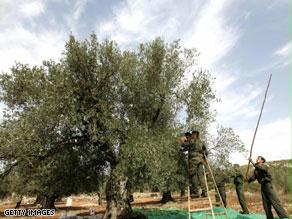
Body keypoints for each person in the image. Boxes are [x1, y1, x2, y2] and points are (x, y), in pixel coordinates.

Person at [181, 130, 208, 198]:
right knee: (201, 176)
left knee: (193, 175)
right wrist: (204, 158)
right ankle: (205, 192)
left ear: (193, 134)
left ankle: (196, 192)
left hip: (193, 160)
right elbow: (206, 152)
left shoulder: (192, 141)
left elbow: (184, 145)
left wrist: (182, 140)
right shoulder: (201, 142)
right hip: (201, 161)